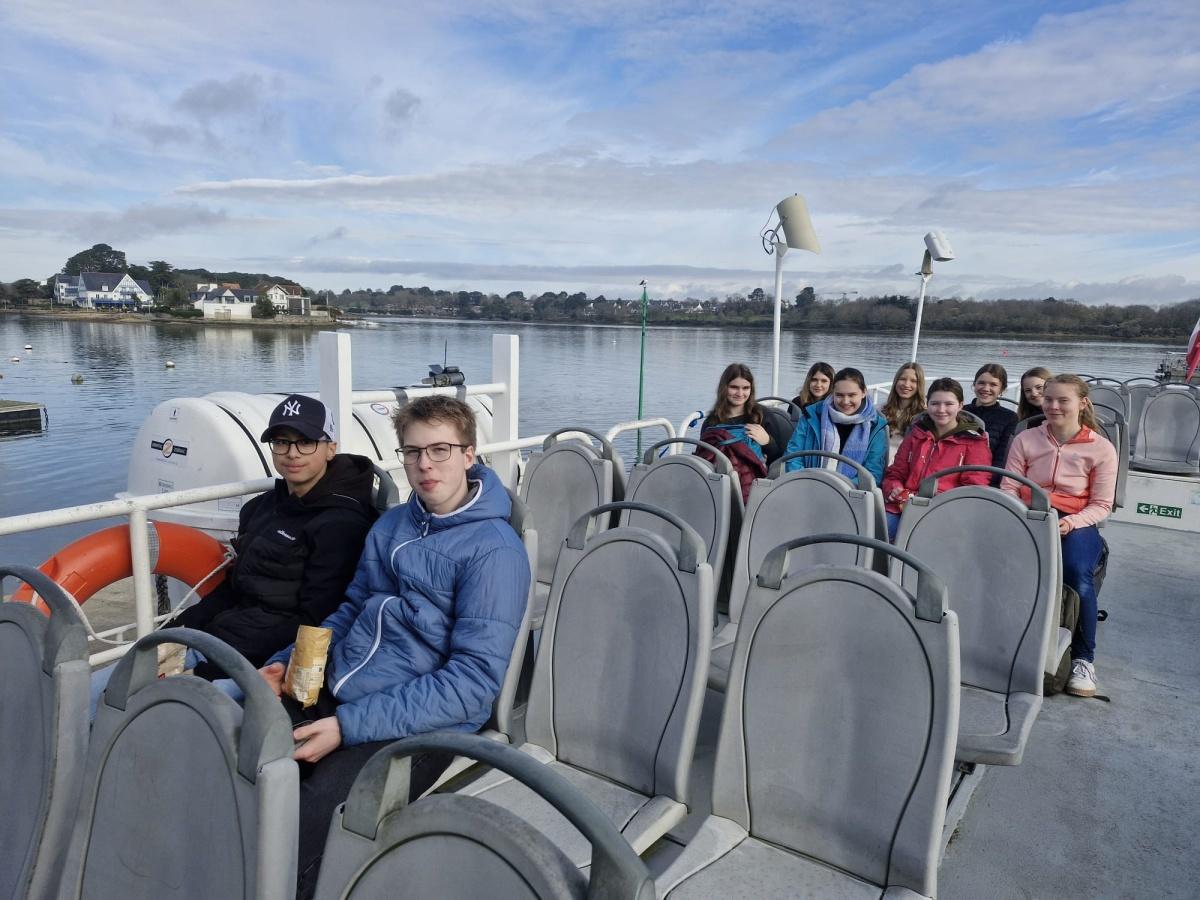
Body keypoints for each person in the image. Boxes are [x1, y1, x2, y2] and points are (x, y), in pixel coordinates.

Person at [257, 395, 531, 898]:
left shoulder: (494, 552)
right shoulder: (392, 525)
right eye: (412, 451)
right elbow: (351, 609)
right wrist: (286, 663)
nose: (425, 465)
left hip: (420, 723)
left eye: (440, 450)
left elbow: (472, 685)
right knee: (246, 761)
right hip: (340, 688)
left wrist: (348, 726)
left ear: (469, 455)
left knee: (303, 823)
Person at [88, 395, 378, 716]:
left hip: (252, 658)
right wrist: (178, 631)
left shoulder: (341, 525)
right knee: (98, 689)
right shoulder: (261, 508)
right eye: (282, 442)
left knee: (119, 703)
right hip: (217, 638)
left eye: (306, 442)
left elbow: (317, 621)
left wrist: (210, 667)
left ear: (330, 448)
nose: (292, 453)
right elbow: (234, 589)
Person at [1002, 375, 1117, 699]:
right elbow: (1009, 486)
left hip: (1075, 522)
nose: (1053, 406)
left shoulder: (1101, 448)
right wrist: (1020, 515)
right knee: (997, 563)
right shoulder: (1026, 439)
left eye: (1063, 400)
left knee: (1077, 573)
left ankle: (1083, 659)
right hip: (1027, 515)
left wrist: (1071, 523)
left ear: (1082, 403)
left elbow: (1102, 505)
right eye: (1048, 399)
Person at [882, 377, 991, 540]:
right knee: (878, 531)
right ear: (927, 404)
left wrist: (938, 502)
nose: (941, 409)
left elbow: (973, 488)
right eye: (935, 403)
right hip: (903, 507)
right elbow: (895, 473)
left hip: (945, 511)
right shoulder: (916, 434)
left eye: (948, 404)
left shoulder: (974, 442)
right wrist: (894, 488)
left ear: (960, 405)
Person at [784, 367, 889, 484]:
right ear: (833, 393)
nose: (845, 401)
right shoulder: (812, 415)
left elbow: (873, 473)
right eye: (839, 395)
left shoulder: (875, 426)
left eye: (852, 395)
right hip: (807, 485)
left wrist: (836, 487)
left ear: (864, 392)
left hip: (850, 492)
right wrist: (807, 482)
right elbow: (793, 456)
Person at [700, 363, 790, 465]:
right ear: (724, 388)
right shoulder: (711, 421)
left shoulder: (763, 416)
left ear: (751, 389)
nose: (740, 393)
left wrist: (768, 442)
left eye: (745, 388)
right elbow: (702, 457)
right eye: (734, 387)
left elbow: (780, 459)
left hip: (756, 473)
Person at [965, 363, 1018, 472]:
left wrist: (989, 477)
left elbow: (1001, 457)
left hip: (986, 474)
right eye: (981, 383)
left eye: (993, 384)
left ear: (1002, 389)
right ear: (974, 384)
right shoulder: (961, 412)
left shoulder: (1009, 418)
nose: (986, 388)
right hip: (953, 471)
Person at [880, 361, 927, 455]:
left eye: (913, 381)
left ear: (919, 385)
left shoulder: (924, 416)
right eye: (902, 379)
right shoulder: (880, 410)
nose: (906, 384)